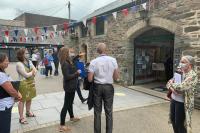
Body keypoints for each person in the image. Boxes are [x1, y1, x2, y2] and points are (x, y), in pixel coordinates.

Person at [88, 43, 119, 133]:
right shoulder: (113, 60)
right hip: (109, 87)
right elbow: (116, 77)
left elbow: (90, 79)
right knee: (109, 111)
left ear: (98, 51)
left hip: (97, 87)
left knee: (97, 112)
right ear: (106, 50)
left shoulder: (93, 62)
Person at [166, 55, 198, 133]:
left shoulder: (193, 75)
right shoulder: (179, 70)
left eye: (183, 62)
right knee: (173, 120)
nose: (181, 63)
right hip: (174, 99)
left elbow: (181, 87)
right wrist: (171, 87)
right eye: (181, 61)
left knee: (179, 123)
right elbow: (169, 82)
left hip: (182, 103)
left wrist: (171, 85)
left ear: (190, 64)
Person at [58, 47, 81, 132]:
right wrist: (76, 73)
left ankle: (72, 117)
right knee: (66, 105)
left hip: (72, 86)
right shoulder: (65, 64)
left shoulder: (68, 61)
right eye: (69, 52)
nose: (70, 53)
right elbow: (67, 77)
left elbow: (72, 59)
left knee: (70, 103)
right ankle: (62, 125)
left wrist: (78, 56)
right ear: (66, 54)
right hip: (69, 87)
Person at [0, 53, 22, 133]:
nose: (8, 62)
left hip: (4, 106)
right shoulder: (1, 75)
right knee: (4, 128)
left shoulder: (3, 73)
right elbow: (11, 90)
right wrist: (17, 95)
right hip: (4, 107)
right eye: (6, 61)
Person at [16, 48, 37, 124]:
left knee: (29, 98)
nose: (28, 54)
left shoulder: (29, 61)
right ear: (22, 55)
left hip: (31, 82)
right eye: (26, 53)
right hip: (23, 84)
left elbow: (36, 70)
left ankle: (28, 112)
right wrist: (32, 72)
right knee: (22, 100)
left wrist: (32, 72)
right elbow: (26, 75)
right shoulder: (19, 64)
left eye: (28, 53)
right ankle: (21, 117)